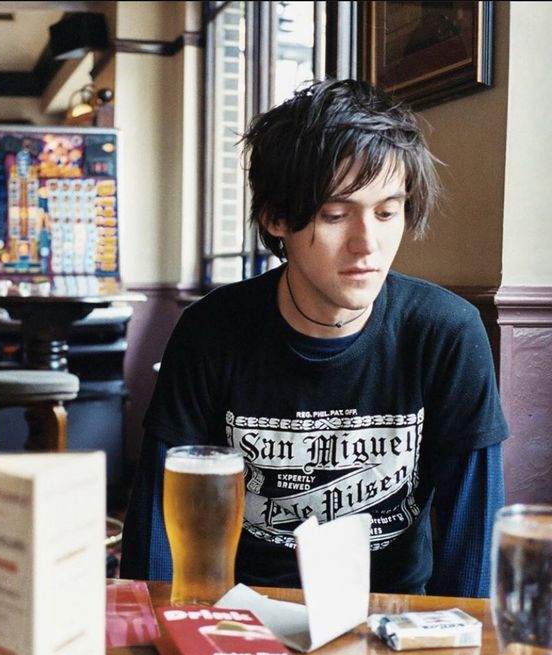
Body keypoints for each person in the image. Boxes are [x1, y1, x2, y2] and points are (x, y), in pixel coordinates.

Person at [120, 78, 508, 597]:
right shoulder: (212, 331)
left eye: (387, 212)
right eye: (335, 215)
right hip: (243, 614)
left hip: (389, 615)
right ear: (276, 217)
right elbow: (157, 530)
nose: (367, 243)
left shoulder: (445, 333)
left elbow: (473, 541)